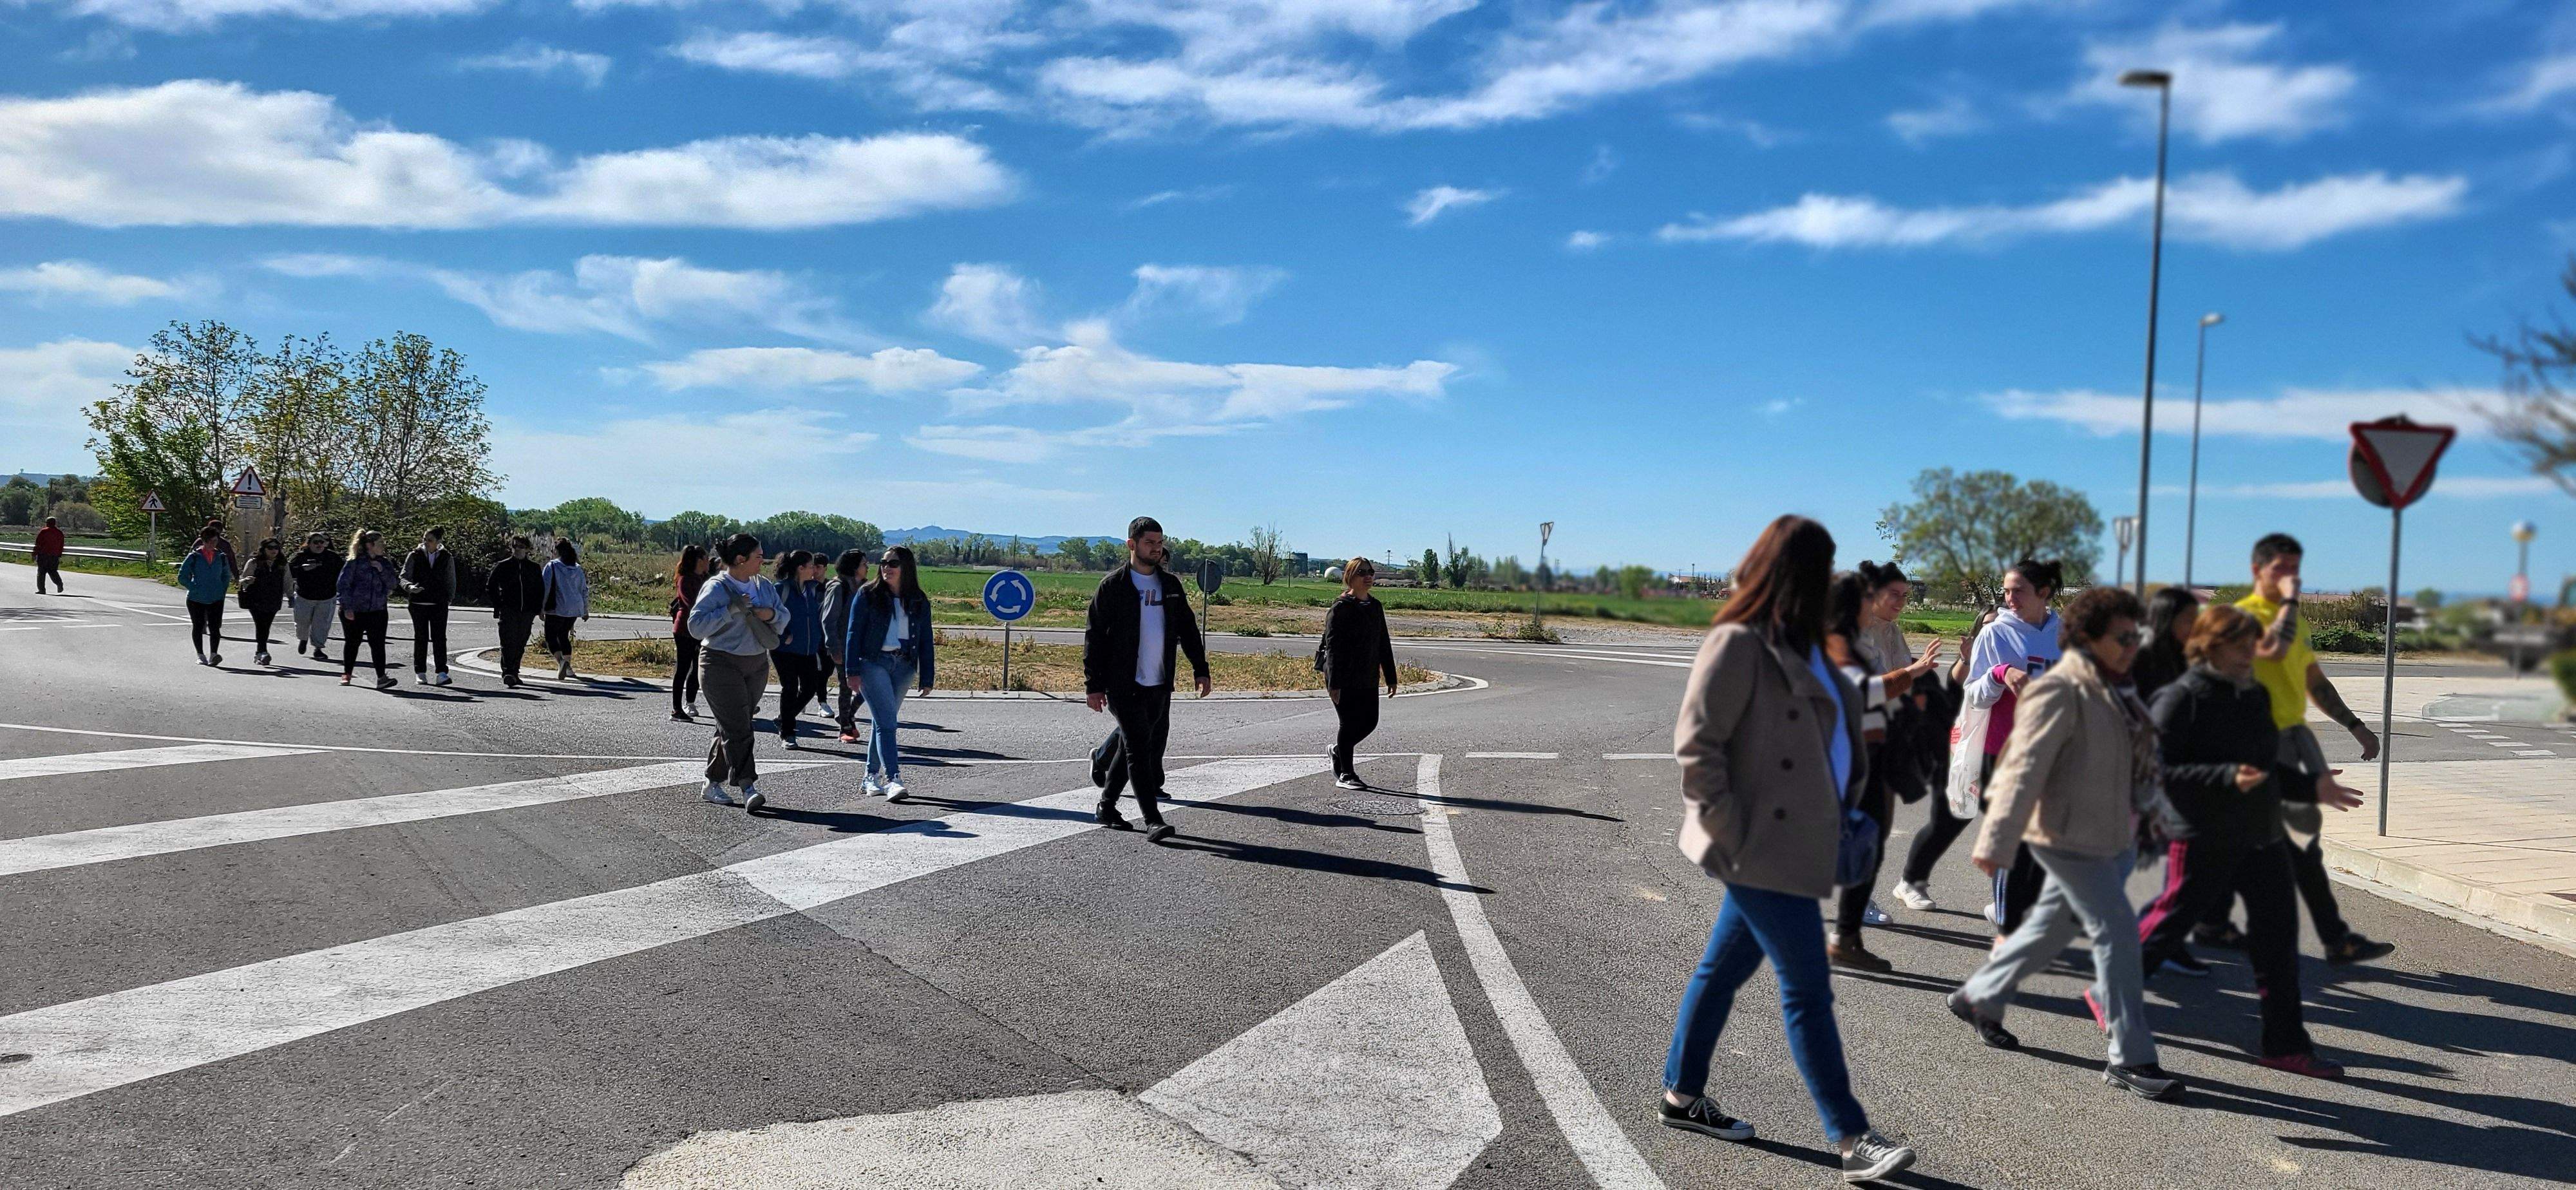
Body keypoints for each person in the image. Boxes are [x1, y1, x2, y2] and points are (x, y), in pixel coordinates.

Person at [1662, 516, 1916, 1184]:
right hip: (1759, 846)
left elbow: (1839, 727)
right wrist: (1732, 835)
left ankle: (1681, 1095)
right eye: (1821, 568)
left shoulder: (1804, 644)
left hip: (1802, 839)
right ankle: (1850, 1137)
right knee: (1807, 987)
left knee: (1720, 971)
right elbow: (1697, 747)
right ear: (1792, 571)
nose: (1832, 581)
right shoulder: (1739, 642)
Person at [1947, 586, 2181, 1102]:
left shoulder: (2120, 687)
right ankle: (2130, 1058)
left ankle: (1978, 996)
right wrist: (1996, 839)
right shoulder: (2060, 689)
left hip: (2112, 833)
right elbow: (2023, 765)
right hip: (2067, 834)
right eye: (2122, 636)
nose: (2132, 644)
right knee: (2118, 934)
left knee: (2049, 929)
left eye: (2134, 635)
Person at [2135, 605, 2361, 1079]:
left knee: (2278, 942)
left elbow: (2263, 769)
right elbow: (2160, 772)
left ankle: (2284, 1046)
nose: (2248, 654)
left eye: (2251, 645)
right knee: (2172, 922)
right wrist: (2224, 776)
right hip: (2204, 832)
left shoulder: (2254, 694)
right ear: (2210, 646)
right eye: (2238, 646)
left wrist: (2311, 786)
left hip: (2261, 834)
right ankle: (2114, 989)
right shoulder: (2181, 698)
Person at [2192, 534, 2398, 967]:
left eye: (2295, 568)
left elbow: (2313, 681)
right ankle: (2321, 938)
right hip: (2251, 743)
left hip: (2290, 740)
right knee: (2273, 844)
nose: (2291, 577)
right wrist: (2288, 602)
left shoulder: (2296, 620)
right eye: (2281, 568)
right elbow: (2273, 649)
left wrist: (2356, 726)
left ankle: (2218, 923)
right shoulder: (2242, 617)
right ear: (2257, 571)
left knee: (2293, 841)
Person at [1825, 565, 1945, 973]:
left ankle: (1845, 930)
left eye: (1906, 595)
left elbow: (1898, 685)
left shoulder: (1890, 632)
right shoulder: (1844, 636)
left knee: (1868, 831)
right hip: (1849, 746)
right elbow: (1864, 691)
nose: (1901, 602)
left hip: (1882, 743)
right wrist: (1910, 673)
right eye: (1894, 594)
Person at [1083, 516, 1212, 844]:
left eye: (1160, 543)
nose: (1156, 549)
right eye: (1149, 543)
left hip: (1159, 681)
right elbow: (1094, 637)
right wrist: (1093, 685)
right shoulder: (1113, 586)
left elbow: (1188, 630)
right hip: (1122, 682)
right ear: (1132, 545)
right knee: (1139, 749)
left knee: (1131, 745)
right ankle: (1153, 820)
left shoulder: (1170, 585)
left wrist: (1201, 668)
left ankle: (1106, 806)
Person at [1962, 559, 2065, 940]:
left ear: (2044, 592)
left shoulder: (2065, 634)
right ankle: (2010, 927)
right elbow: (1973, 694)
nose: (2009, 598)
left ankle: (2007, 910)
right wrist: (2000, 674)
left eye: (2018, 590)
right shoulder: (1996, 634)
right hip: (2004, 752)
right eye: (2006, 590)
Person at [1888, 607, 1999, 912]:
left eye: (1999, 625)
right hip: (1959, 752)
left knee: (2011, 826)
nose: (1993, 631)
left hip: (2001, 752)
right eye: (1987, 626)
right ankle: (1910, 882)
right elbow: (1955, 684)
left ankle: (2009, 898)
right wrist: (1967, 657)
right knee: (1949, 821)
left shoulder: (2014, 656)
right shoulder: (1972, 658)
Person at [688, 533, 784, 810]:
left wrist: (770, 615)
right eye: (758, 556)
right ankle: (747, 786)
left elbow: (784, 616)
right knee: (740, 728)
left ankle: (712, 782)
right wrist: (730, 610)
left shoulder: (764, 586)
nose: (763, 561)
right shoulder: (716, 587)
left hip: (757, 663)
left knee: (732, 725)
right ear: (741, 559)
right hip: (720, 664)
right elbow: (695, 627)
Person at [843, 546, 936, 800]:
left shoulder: (918, 599)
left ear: (906, 567)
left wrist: (927, 677)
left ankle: (871, 776)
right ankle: (894, 778)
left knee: (883, 721)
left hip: (904, 665)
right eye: (883, 562)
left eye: (893, 563)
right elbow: (853, 633)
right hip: (874, 663)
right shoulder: (868, 594)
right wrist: (852, 671)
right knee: (887, 722)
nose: (886, 567)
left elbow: (926, 639)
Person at [1320, 557, 1399, 791]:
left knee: (1370, 722)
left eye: (1370, 572)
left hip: (1367, 675)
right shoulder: (1341, 607)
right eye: (1362, 572)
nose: (1368, 576)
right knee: (1349, 723)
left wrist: (1391, 676)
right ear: (1349, 577)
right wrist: (1334, 683)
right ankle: (1346, 773)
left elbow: (1383, 642)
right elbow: (1332, 647)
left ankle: (1339, 750)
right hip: (1343, 676)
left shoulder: (1375, 606)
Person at [770, 550, 828, 748]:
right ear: (800, 568)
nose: (814, 570)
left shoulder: (812, 589)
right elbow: (769, 617)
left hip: (808, 649)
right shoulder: (781, 589)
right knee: (790, 688)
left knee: (810, 687)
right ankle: (788, 732)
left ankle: (784, 718)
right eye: (811, 566)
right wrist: (783, 636)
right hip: (784, 649)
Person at [336, 529, 399, 689]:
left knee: (378, 644)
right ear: (370, 545)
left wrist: (381, 570)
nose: (383, 546)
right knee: (352, 643)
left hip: (378, 610)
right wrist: (347, 607)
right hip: (355, 611)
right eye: (380, 543)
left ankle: (382, 678)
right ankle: (347, 674)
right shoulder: (354, 563)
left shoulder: (384, 563)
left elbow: (393, 584)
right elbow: (343, 585)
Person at [399, 526, 457, 686]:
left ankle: (442, 673)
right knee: (421, 638)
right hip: (418, 603)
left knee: (440, 638)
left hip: (439, 604)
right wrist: (410, 587)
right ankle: (420, 672)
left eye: (430, 540)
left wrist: (449, 598)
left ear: (438, 541)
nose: (426, 542)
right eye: (425, 539)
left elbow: (451, 580)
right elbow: (404, 576)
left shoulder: (446, 557)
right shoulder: (415, 555)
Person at [820, 549, 869, 742]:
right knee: (846, 686)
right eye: (864, 564)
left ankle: (847, 715)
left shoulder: (865, 587)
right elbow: (828, 620)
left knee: (869, 684)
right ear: (854, 567)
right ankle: (845, 728)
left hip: (862, 646)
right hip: (843, 646)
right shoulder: (839, 587)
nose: (867, 567)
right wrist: (834, 648)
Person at [487, 534, 545, 688]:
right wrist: (499, 604)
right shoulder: (503, 566)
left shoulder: (534, 568)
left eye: (521, 547)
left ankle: (514, 672)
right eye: (515, 546)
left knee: (520, 642)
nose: (517, 549)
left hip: (527, 611)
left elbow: (540, 590)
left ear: (527, 549)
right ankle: (508, 672)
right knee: (508, 641)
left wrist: (539, 608)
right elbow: (491, 585)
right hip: (508, 610)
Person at [2132, 586, 2200, 703]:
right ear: (2167, 619)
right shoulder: (2144, 658)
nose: (2196, 627)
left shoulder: (2189, 656)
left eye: (2197, 620)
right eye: (2189, 620)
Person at [178, 527, 234, 666]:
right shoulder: (194, 556)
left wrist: (222, 590)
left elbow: (226, 575)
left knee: (215, 627)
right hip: (195, 599)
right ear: (203, 541)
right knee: (198, 626)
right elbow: (182, 576)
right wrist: (194, 587)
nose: (212, 544)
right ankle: (200, 655)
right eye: (209, 542)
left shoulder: (221, 557)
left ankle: (214, 654)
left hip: (216, 598)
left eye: (215, 541)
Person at [670, 545, 712, 720]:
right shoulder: (685, 579)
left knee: (697, 667)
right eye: (706, 558)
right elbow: (692, 604)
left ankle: (690, 703)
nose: (709, 562)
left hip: (701, 629)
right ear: (699, 560)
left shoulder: (705, 578)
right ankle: (676, 709)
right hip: (684, 630)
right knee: (683, 668)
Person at [286, 531, 341, 659]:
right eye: (316, 542)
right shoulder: (300, 556)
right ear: (309, 544)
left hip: (327, 596)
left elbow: (343, 574)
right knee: (301, 623)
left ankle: (318, 648)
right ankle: (303, 639)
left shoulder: (333, 557)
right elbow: (289, 572)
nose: (319, 545)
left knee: (322, 625)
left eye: (322, 542)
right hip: (304, 596)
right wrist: (302, 568)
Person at [542, 538, 590, 681]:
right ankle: (568, 668)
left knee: (551, 637)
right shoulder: (577, 568)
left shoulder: (552, 566)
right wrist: (585, 610)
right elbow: (584, 590)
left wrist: (541, 607)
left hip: (557, 607)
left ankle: (561, 662)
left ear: (557, 551)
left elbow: (545, 588)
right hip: (575, 608)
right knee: (563, 635)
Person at [237, 538, 288, 666]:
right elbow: (243, 580)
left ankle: (260, 652)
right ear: (263, 549)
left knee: (267, 625)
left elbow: (287, 580)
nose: (274, 550)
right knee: (261, 624)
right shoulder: (254, 562)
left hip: (274, 599)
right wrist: (247, 581)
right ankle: (263, 651)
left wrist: (291, 596)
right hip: (256, 598)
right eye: (270, 548)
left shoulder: (282, 563)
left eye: (276, 548)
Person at [32, 516, 64, 594]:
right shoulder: (59, 533)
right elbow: (61, 545)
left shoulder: (44, 532)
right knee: (53, 572)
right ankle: (59, 584)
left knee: (41, 573)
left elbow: (38, 543)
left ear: (47, 523)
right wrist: (59, 555)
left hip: (43, 555)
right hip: (54, 556)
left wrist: (34, 553)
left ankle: (42, 590)